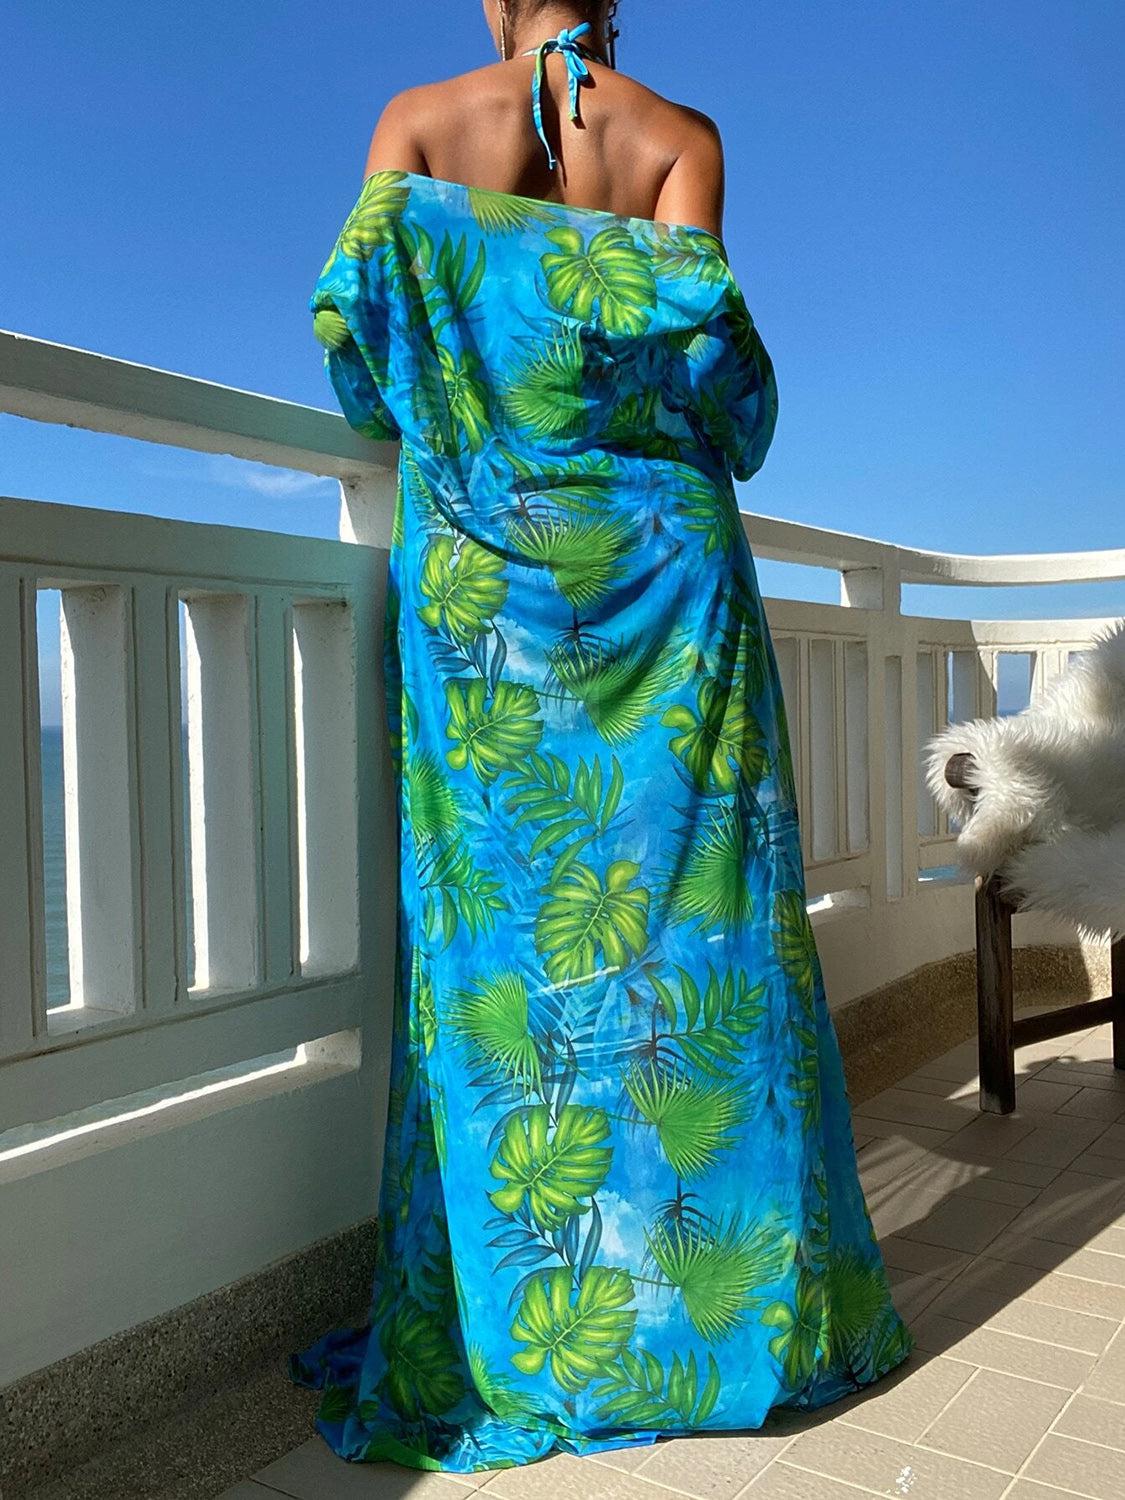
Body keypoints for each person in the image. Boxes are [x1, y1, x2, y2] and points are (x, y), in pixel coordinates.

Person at [288, 0, 914, 1474]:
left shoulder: (417, 125)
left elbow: (362, 367)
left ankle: (524, 1326)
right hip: (667, 585)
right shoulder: (680, 141)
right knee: (704, 949)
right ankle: (726, 1323)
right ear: (616, 7)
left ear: (490, 2)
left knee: (503, 970)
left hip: (489, 596)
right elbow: (723, 403)